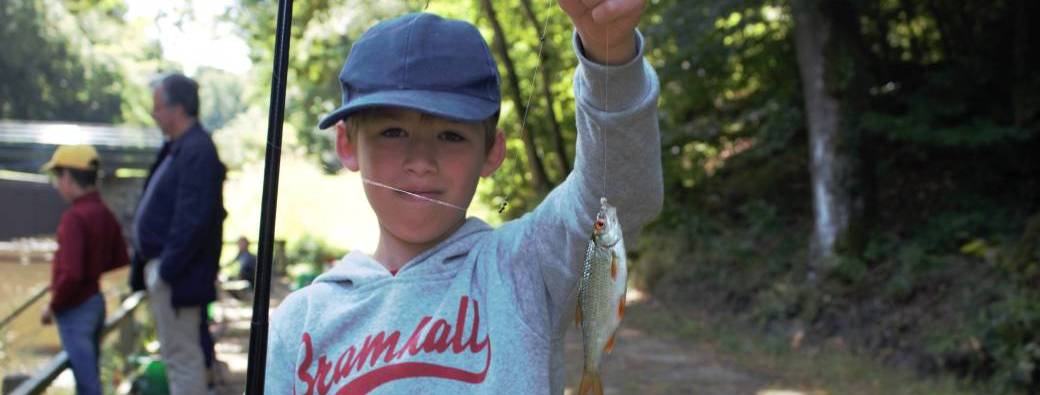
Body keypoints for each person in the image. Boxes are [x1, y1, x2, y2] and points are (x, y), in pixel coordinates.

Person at [264, 0, 661, 393]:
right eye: (392, 132)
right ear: (347, 145)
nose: (420, 161)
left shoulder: (525, 266)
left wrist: (609, 55)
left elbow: (619, 191)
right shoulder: (299, 323)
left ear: (492, 152)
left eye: (450, 135)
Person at [128, 72, 226, 395]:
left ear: (178, 108)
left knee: (182, 359)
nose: (154, 114)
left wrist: (166, 271)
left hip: (178, 277)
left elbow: (192, 219)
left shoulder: (196, 150)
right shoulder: (181, 147)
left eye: (158, 107)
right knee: (177, 356)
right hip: (172, 274)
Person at [40, 145, 129, 395]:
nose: (57, 184)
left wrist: (52, 306)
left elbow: (72, 275)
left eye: (58, 177)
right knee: (89, 378)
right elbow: (120, 257)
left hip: (76, 312)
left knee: (88, 386)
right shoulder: (103, 212)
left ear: (68, 177)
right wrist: (93, 268)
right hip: (96, 303)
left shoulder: (74, 218)